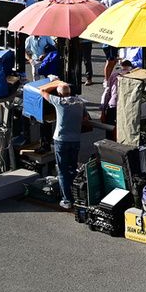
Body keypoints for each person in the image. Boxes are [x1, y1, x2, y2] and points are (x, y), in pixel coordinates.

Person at [38, 79, 86, 209]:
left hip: (61, 140)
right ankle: (77, 196)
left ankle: (67, 200)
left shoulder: (59, 102)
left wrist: (56, 83)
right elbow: (85, 118)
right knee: (72, 168)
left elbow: (42, 91)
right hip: (75, 140)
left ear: (59, 94)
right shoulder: (80, 102)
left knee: (63, 171)